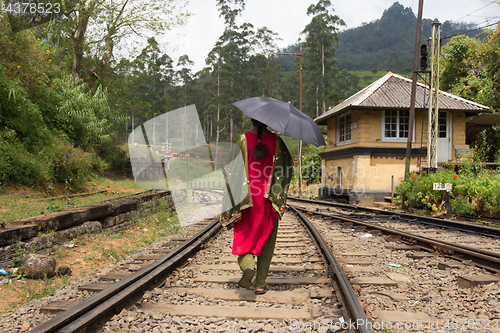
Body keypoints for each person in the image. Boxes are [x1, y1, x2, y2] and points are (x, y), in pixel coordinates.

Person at [220, 118, 293, 294]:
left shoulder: (242, 140)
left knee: (245, 237)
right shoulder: (278, 142)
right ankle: (260, 283)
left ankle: (248, 266)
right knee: (266, 240)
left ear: (251, 119)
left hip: (246, 201)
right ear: (268, 121)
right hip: (268, 200)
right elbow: (288, 169)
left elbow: (229, 171)